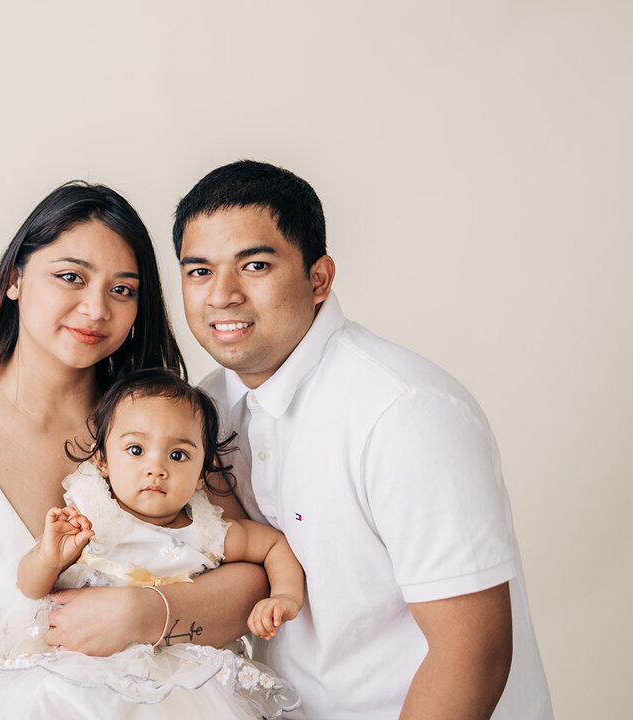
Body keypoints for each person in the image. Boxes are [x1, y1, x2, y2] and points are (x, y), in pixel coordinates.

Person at [0, 182, 269, 719]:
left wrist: (146, 612)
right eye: (70, 277)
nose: (95, 308)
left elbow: (248, 570)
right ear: (14, 279)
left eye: (123, 290)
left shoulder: (158, 424)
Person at [173, 160, 554, 719]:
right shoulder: (205, 412)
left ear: (319, 278)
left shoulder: (403, 412)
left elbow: (473, 654)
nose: (222, 295)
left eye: (254, 265)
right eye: (199, 271)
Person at [0, 369, 304, 719]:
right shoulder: (91, 519)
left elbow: (273, 545)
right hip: (79, 666)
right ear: (102, 460)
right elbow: (30, 588)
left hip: (173, 677)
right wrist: (48, 560)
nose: (156, 468)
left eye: (177, 455)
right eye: (135, 450)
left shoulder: (207, 532)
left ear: (202, 474)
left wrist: (285, 596)